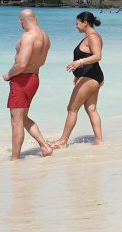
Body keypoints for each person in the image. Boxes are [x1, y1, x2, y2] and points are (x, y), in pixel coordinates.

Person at [2, 9, 54, 160]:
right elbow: (42, 61)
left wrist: (8, 75)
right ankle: (45, 147)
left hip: (22, 79)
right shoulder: (45, 36)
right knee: (23, 118)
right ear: (35, 18)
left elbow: (22, 64)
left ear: (21, 21)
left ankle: (15, 159)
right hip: (34, 78)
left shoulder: (28, 36)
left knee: (16, 121)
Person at [49, 11, 104, 149]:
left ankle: (63, 141)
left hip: (91, 77)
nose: (76, 26)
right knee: (91, 109)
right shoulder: (90, 37)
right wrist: (78, 75)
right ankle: (99, 141)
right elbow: (90, 56)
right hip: (91, 76)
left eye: (77, 23)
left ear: (85, 23)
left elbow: (98, 56)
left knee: (72, 109)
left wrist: (79, 62)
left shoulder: (93, 37)